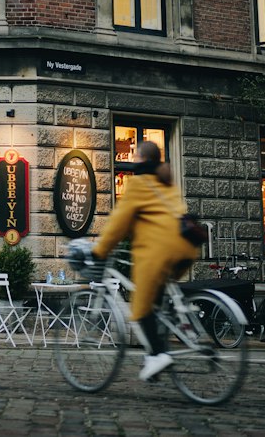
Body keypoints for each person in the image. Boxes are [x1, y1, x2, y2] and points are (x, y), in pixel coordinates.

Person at [88, 140, 200, 381]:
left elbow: (119, 222)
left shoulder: (139, 183)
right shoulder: (168, 183)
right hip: (186, 248)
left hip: (159, 252)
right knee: (156, 305)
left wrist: (100, 250)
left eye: (136, 157)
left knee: (140, 309)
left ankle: (157, 356)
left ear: (140, 159)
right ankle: (160, 350)